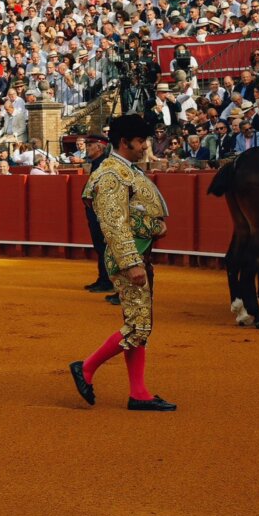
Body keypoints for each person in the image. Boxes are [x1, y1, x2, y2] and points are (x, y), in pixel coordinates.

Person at [69, 113, 175, 412]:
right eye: (141, 141)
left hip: (138, 256)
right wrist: (132, 262)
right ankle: (86, 367)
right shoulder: (111, 175)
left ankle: (139, 393)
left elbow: (133, 215)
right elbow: (115, 223)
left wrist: (153, 229)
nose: (145, 146)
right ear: (125, 142)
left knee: (136, 323)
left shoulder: (123, 170)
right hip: (129, 258)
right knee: (139, 327)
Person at [80, 133, 113, 294]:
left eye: (89, 145)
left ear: (99, 147)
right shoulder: (97, 163)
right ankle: (103, 279)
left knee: (104, 246)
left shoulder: (103, 165)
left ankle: (107, 281)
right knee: (100, 246)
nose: (87, 148)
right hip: (96, 211)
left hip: (101, 212)